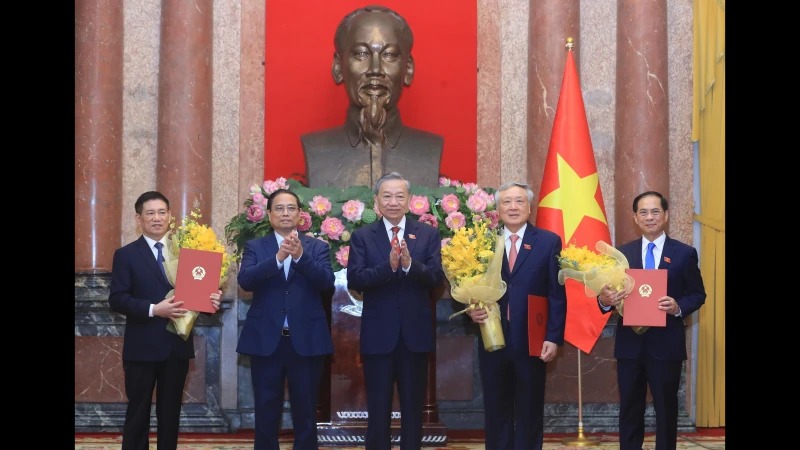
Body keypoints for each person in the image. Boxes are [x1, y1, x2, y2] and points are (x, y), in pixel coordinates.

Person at [109, 191, 222, 450]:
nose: (157, 218)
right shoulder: (126, 255)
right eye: (150, 213)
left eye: (162, 212)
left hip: (176, 346)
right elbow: (117, 299)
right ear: (139, 219)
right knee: (138, 413)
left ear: (170, 216)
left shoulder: (186, 252)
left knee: (170, 415)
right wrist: (153, 309)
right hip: (141, 347)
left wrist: (209, 303)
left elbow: (194, 296)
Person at [598, 191, 706, 450]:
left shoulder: (684, 253)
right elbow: (604, 300)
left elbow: (698, 294)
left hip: (666, 346)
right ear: (635, 217)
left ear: (666, 215)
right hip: (630, 346)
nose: (649, 217)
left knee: (666, 410)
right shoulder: (621, 255)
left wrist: (678, 306)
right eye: (643, 212)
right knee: (629, 409)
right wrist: (606, 299)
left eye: (655, 211)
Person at [346, 172, 445, 450]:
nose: (393, 202)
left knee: (413, 408)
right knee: (378, 407)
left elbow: (436, 279)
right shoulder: (363, 236)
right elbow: (355, 280)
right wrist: (388, 267)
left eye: (399, 196)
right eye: (386, 196)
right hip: (379, 335)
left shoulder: (427, 234)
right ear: (376, 201)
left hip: (415, 334)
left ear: (410, 200)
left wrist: (410, 264)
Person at [465, 182, 567, 450]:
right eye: (507, 202)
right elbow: (469, 288)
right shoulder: (482, 242)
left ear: (530, 207)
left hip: (532, 340)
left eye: (519, 201)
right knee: (496, 407)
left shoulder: (548, 242)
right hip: (492, 338)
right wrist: (470, 313)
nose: (513, 207)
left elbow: (557, 295)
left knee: (529, 408)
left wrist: (553, 337)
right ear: (497, 208)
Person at [301, 5, 443, 189]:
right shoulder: (316, 149)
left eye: (389, 55)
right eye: (361, 54)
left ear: (407, 69)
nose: (375, 69)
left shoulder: (429, 148)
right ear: (338, 67)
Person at [236, 188, 335, 450]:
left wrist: (300, 257)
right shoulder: (256, 247)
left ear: (300, 215)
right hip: (266, 340)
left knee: (306, 410)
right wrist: (278, 259)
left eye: (291, 208)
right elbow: (245, 280)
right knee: (266, 409)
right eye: (279, 208)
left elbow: (326, 283)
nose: (285, 213)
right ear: (269, 215)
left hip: (307, 340)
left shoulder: (317, 247)